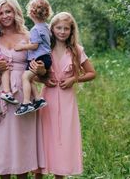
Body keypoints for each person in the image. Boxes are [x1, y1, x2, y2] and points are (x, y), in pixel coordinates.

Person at [0, 0, 45, 178]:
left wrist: (40, 70)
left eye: (8, 11)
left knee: (22, 142)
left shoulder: (28, 36)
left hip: (23, 95)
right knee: (3, 142)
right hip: (2, 94)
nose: (5, 16)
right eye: (0, 13)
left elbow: (39, 70)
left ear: (15, 11)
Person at [33, 12, 96, 178]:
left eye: (66, 28)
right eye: (58, 28)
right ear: (52, 29)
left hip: (67, 100)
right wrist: (45, 80)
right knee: (44, 138)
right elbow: (34, 75)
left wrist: (74, 79)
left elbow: (91, 73)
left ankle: (60, 174)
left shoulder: (76, 50)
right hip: (47, 99)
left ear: (71, 30)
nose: (62, 31)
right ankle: (39, 174)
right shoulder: (44, 48)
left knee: (64, 139)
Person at [14, 0, 52, 116]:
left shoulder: (35, 29)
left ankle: (26, 103)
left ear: (31, 13)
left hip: (39, 58)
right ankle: (38, 99)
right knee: (29, 79)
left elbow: (35, 46)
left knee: (25, 78)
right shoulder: (47, 27)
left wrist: (22, 47)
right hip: (46, 58)